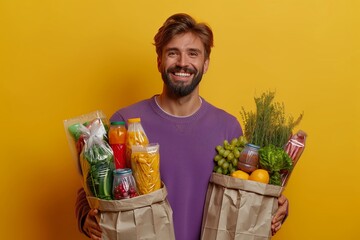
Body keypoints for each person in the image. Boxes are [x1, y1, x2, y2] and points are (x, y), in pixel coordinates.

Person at [75, 13, 289, 240]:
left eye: (193, 54)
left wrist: (276, 206)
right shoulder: (126, 123)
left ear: (205, 64)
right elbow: (92, 188)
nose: (182, 63)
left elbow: (245, 195)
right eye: (172, 53)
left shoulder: (228, 128)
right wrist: (84, 216)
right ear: (159, 61)